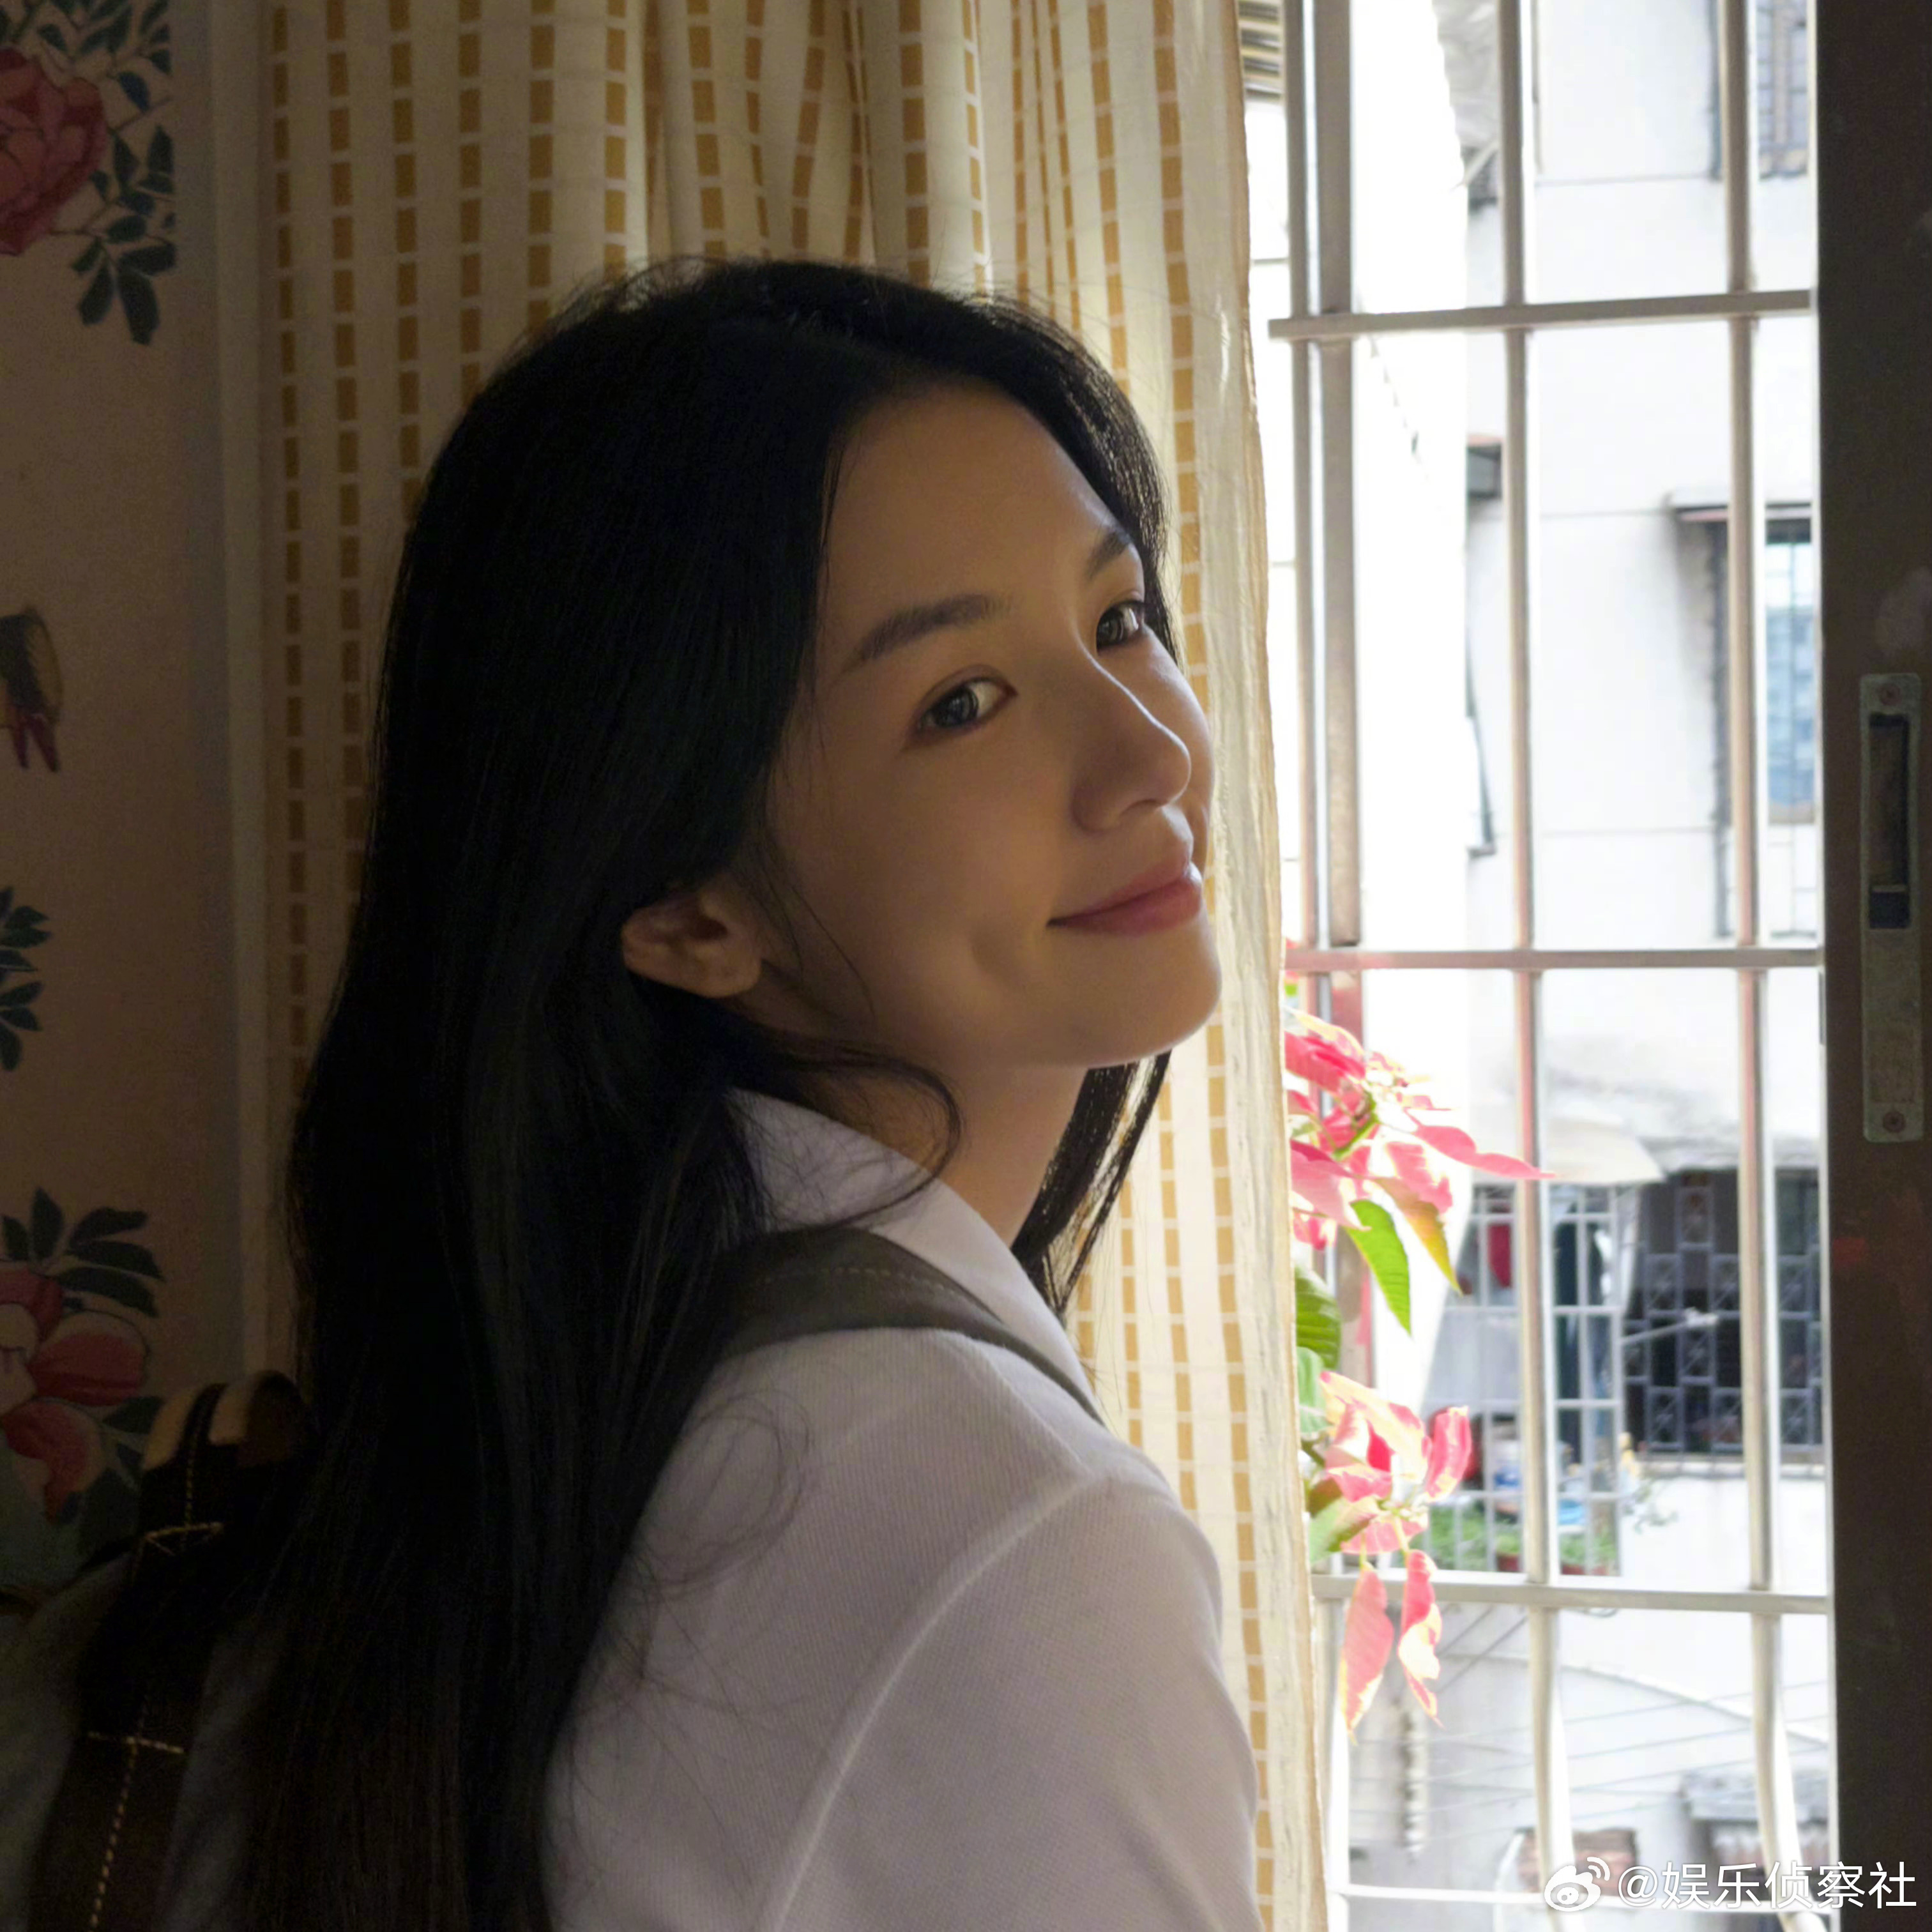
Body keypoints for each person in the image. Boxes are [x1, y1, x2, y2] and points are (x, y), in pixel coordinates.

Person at [17, 254, 1262, 1930]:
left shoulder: (566, 1392)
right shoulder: (1019, 1535)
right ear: (687, 912)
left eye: (1117, 619)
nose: (1150, 751)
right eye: (959, 703)